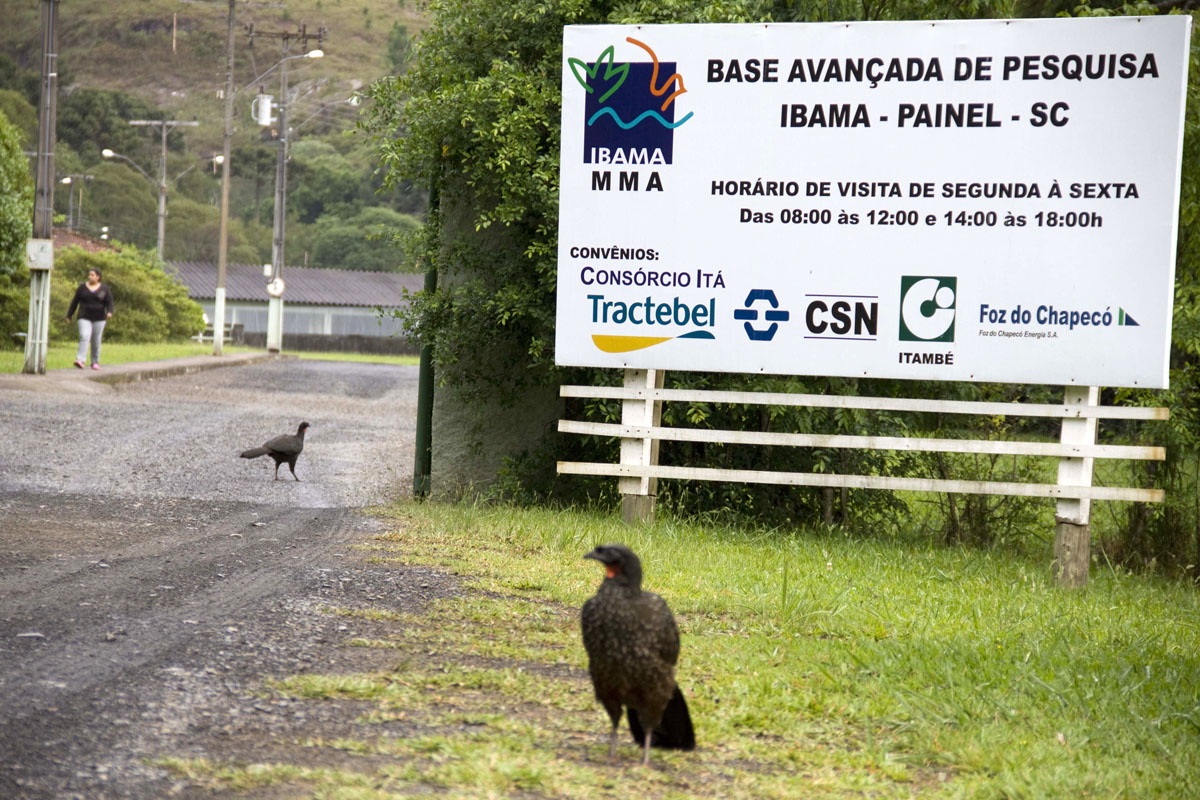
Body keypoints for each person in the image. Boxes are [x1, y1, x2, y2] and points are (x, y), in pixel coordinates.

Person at [65, 268, 114, 370]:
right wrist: (69, 315)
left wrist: (109, 312)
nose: (90, 277)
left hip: (99, 318)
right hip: (84, 316)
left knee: (96, 340)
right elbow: (75, 302)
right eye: (89, 275)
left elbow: (109, 302)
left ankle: (94, 362)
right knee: (84, 335)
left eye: (92, 275)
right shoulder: (82, 288)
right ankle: (80, 360)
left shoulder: (104, 289)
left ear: (98, 277)